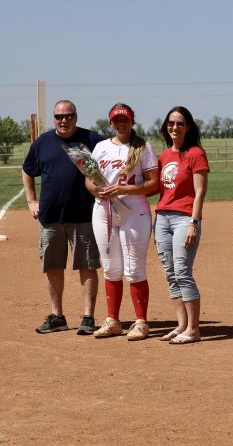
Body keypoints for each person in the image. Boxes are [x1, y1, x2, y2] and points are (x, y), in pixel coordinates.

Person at [22, 99, 103, 335]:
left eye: (68, 116)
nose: (64, 120)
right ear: (54, 118)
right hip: (51, 217)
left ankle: (88, 318)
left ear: (76, 117)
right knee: (53, 266)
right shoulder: (42, 143)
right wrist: (31, 200)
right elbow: (27, 171)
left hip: (83, 216)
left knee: (87, 266)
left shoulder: (92, 140)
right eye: (59, 117)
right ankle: (57, 316)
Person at [86, 103, 158, 341]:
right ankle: (113, 320)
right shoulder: (100, 147)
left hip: (133, 210)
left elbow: (153, 183)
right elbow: (89, 179)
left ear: (132, 121)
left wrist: (127, 188)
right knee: (111, 268)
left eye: (125, 119)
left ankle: (141, 322)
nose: (121, 123)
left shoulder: (142, 147)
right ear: (110, 123)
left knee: (134, 268)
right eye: (116, 120)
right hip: (103, 209)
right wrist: (96, 190)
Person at [154, 106, 209, 344]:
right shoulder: (165, 155)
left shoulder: (195, 153)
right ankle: (181, 325)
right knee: (170, 273)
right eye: (170, 123)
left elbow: (200, 193)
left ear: (188, 127)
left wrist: (194, 223)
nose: (174, 127)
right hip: (162, 218)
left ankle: (194, 329)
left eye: (179, 123)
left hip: (184, 218)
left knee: (182, 271)